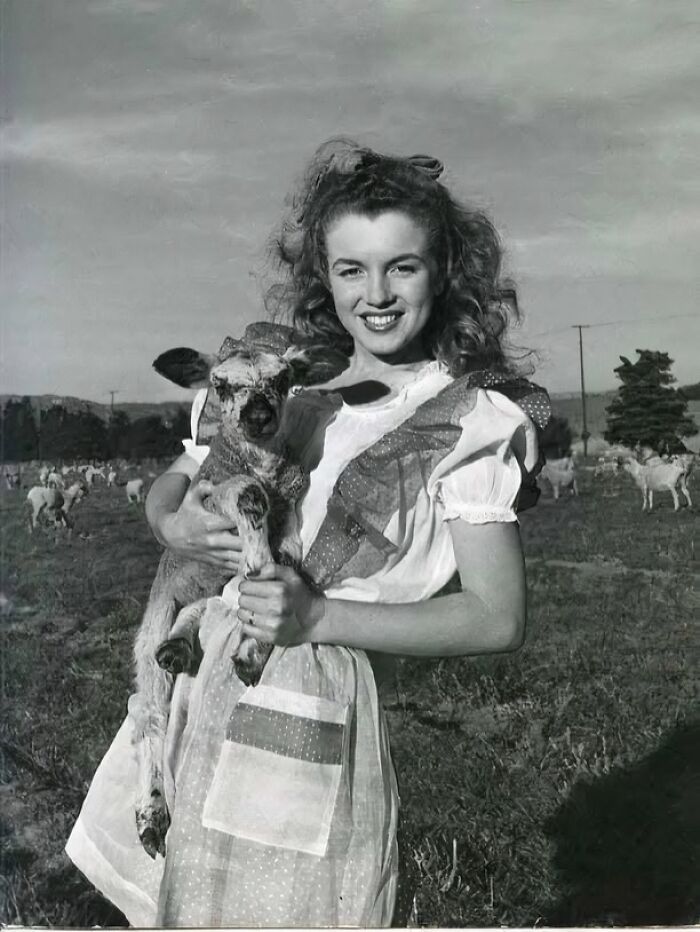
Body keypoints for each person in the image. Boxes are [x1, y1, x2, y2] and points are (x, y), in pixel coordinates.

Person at [66, 138, 550, 928]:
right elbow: (183, 475)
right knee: (181, 905)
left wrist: (320, 618)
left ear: (446, 272)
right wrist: (168, 522)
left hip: (305, 709)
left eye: (404, 266)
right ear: (323, 279)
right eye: (351, 269)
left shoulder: (467, 422)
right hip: (194, 686)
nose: (378, 294)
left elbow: (498, 618)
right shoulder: (295, 393)